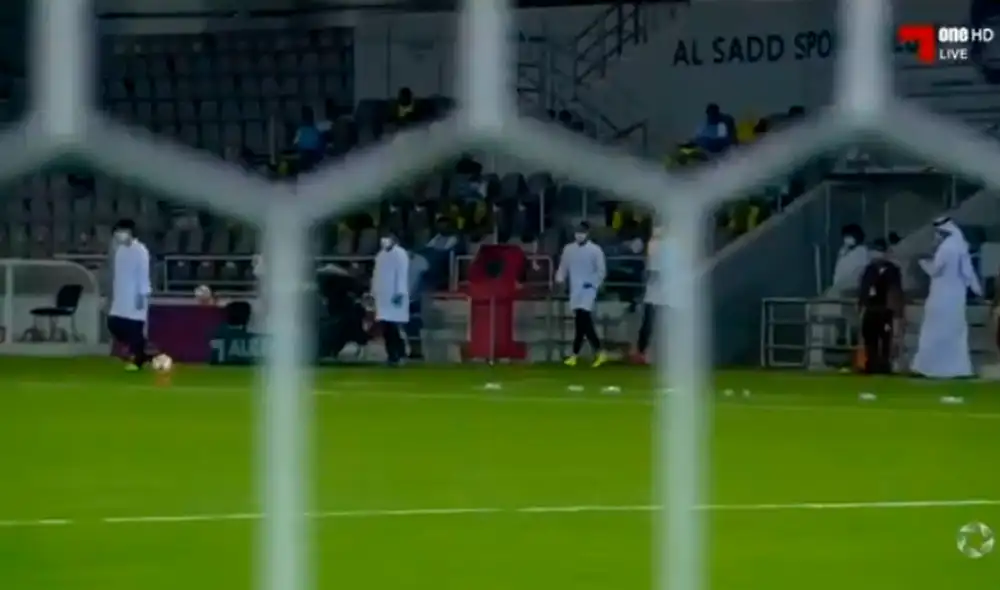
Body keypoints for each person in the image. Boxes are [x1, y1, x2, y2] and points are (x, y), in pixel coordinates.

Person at [911, 218, 983, 378]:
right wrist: (977, 289)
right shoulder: (960, 245)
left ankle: (927, 367)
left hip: (941, 296)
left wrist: (923, 262)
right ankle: (958, 368)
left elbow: (935, 269)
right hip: (956, 297)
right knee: (955, 332)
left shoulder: (946, 247)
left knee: (933, 331)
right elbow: (968, 272)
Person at [556, 222, 608, 367]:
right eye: (577, 231)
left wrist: (593, 283)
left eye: (582, 231)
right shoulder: (568, 249)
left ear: (588, 233)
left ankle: (582, 353)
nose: (579, 234)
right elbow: (563, 267)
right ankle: (583, 354)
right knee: (581, 323)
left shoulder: (595, 250)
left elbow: (601, 271)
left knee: (583, 319)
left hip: (588, 289)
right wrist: (560, 280)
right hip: (575, 289)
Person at [107, 219, 152, 371]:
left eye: (121, 231)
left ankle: (139, 360)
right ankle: (145, 353)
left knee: (134, 328)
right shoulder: (120, 250)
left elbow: (143, 273)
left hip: (136, 295)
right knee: (114, 323)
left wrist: (142, 294)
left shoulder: (140, 250)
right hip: (120, 295)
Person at [857, 239, 903, 374]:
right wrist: (861, 306)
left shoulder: (893, 270)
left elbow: (896, 292)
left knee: (885, 339)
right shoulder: (869, 269)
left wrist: (897, 313)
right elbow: (863, 290)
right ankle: (870, 364)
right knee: (870, 338)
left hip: (885, 310)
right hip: (870, 309)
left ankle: (884, 365)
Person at [631, 224, 669, 364]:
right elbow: (651, 269)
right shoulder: (653, 245)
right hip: (654, 293)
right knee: (648, 324)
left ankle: (647, 352)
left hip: (665, 293)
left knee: (656, 324)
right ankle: (641, 352)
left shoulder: (666, 247)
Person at [372, 232, 410, 366]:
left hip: (395, 295)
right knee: (386, 327)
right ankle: (391, 355)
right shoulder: (380, 255)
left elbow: (402, 273)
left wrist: (400, 292)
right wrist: (374, 292)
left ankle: (401, 353)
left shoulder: (400, 253)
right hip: (382, 296)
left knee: (395, 327)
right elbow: (376, 274)